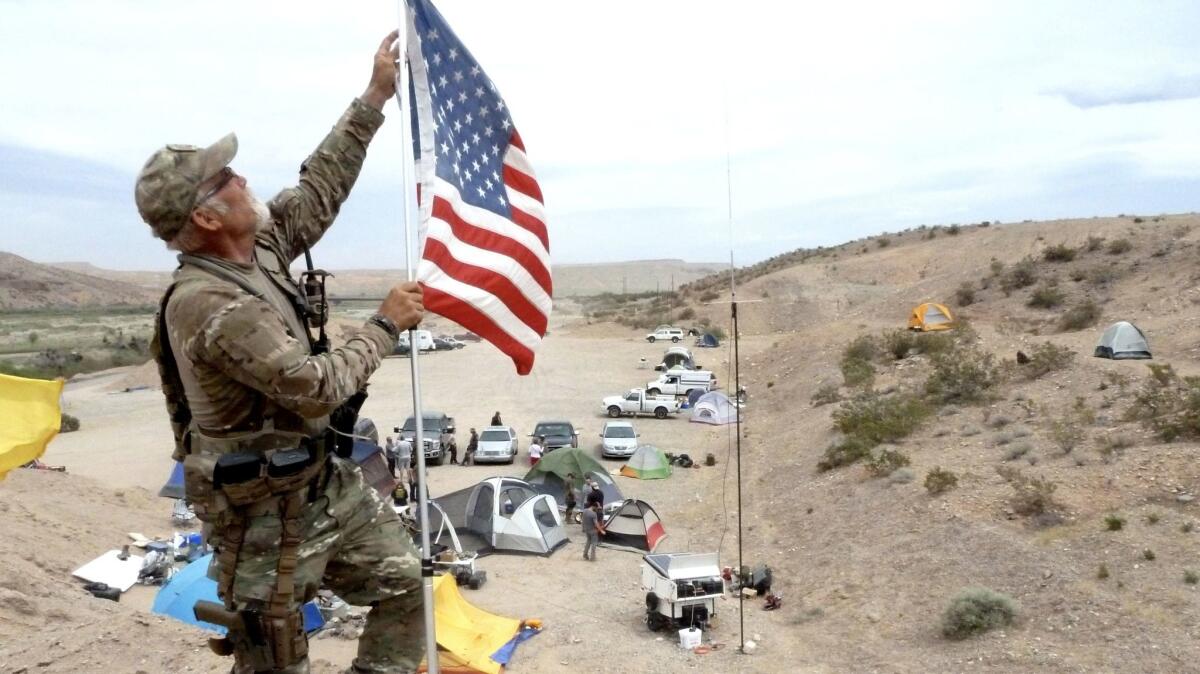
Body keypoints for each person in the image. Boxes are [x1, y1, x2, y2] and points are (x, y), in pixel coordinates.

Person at [139, 31, 426, 673]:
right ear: (207, 219)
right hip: (259, 518)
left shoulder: (260, 249)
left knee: (407, 586)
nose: (243, 178)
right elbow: (314, 386)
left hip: (321, 486)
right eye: (225, 178)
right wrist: (384, 324)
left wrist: (375, 95)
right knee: (273, 658)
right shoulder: (208, 303)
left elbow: (319, 187)